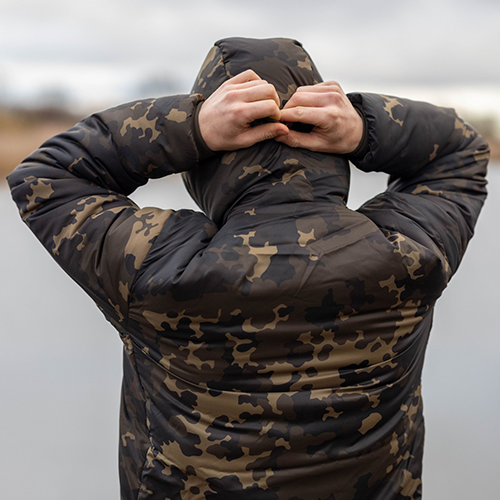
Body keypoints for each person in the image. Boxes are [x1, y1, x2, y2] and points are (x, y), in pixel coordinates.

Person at [8, 37, 488, 500]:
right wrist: (365, 128)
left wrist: (192, 126)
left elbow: (47, 176)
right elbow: (460, 152)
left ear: (206, 166)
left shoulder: (160, 271)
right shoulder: (408, 257)